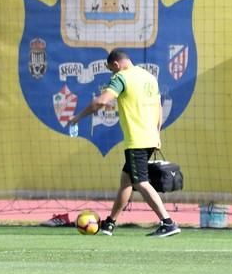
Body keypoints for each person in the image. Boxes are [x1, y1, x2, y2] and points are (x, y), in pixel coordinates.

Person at [69, 48, 181, 238]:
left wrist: (78, 117)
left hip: (137, 139)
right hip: (151, 136)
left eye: (112, 70)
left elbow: (101, 102)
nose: (113, 74)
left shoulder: (121, 77)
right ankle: (110, 224)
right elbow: (159, 108)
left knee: (141, 182)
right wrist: (156, 133)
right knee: (126, 181)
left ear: (116, 65)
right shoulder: (148, 77)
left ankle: (168, 222)